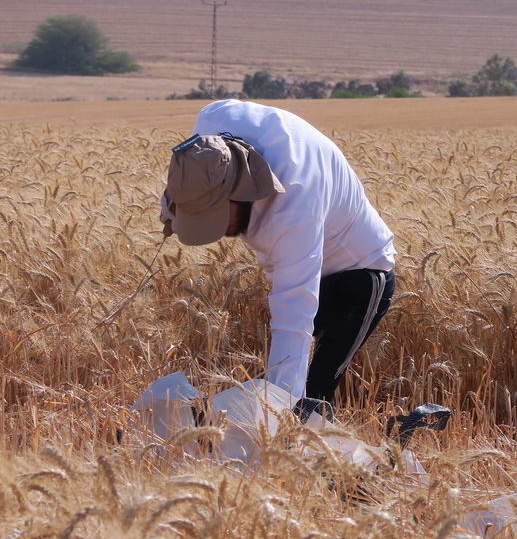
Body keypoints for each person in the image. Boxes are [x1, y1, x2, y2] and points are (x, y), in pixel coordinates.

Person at [159, 99, 396, 409]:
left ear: (242, 191)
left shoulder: (293, 206)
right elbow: (193, 170)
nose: (216, 231)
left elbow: (293, 320)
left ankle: (308, 447)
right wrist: (175, 207)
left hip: (359, 275)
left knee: (313, 393)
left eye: (216, 218)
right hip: (304, 257)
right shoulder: (213, 119)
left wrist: (278, 413)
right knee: (263, 379)